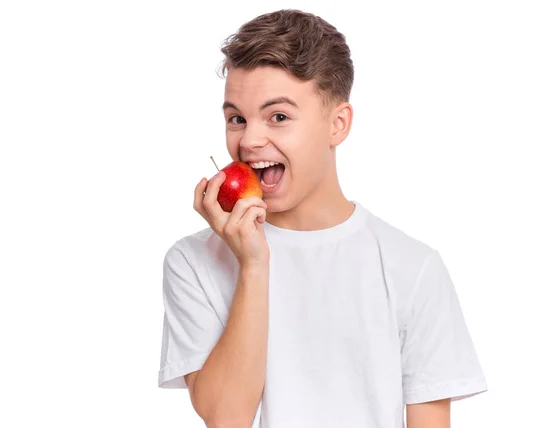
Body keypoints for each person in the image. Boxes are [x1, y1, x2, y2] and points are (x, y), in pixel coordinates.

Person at [157, 9, 487, 428]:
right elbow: (227, 419)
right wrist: (253, 265)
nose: (250, 139)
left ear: (338, 124)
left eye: (278, 116)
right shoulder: (193, 262)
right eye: (236, 118)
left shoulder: (412, 268)